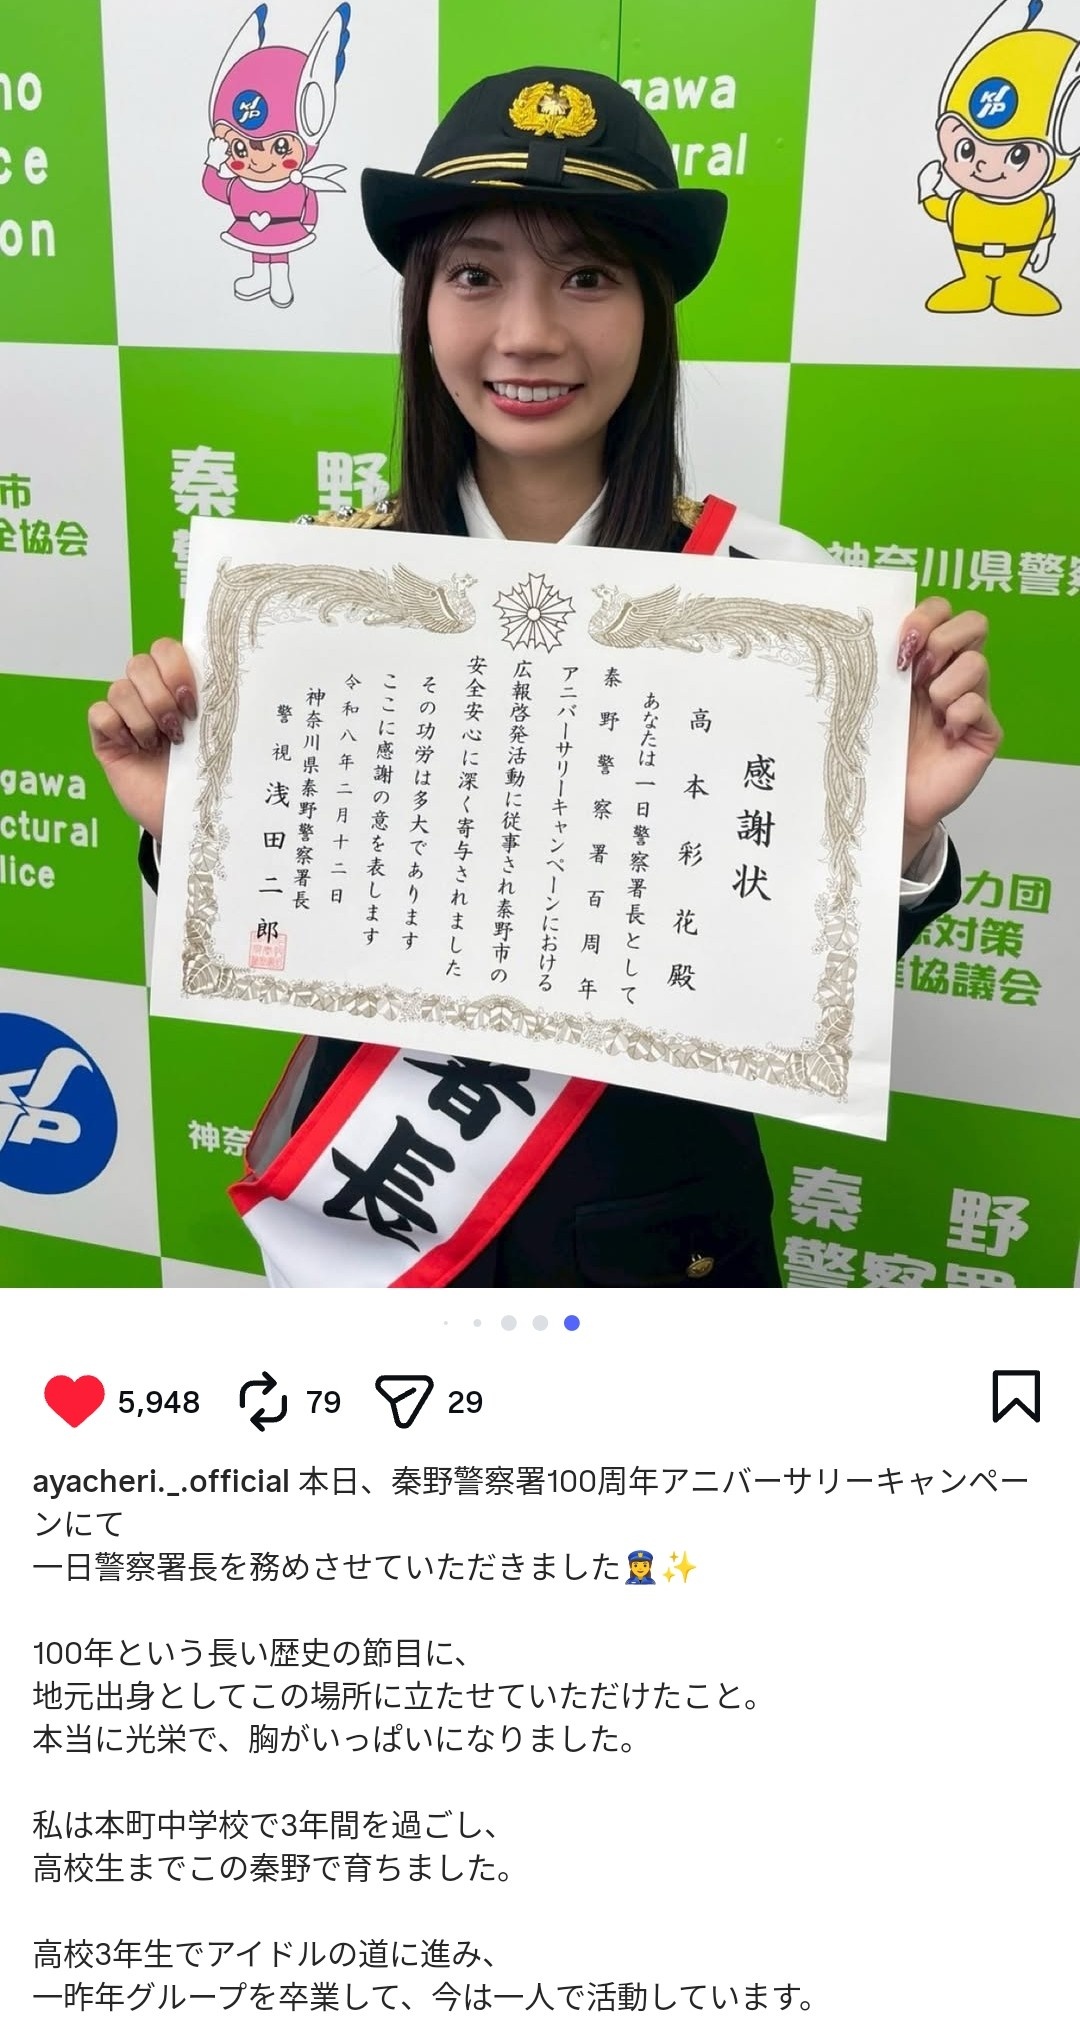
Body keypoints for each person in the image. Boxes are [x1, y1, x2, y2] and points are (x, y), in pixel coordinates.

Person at [88, 67, 1002, 1288]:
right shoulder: (313, 603)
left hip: (660, 1230)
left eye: (587, 277)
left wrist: (897, 834)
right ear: (422, 307)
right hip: (386, 1224)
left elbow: (792, 980)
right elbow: (274, 936)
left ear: (652, 313)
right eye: (476, 276)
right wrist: (190, 823)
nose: (526, 333)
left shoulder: (774, 597)